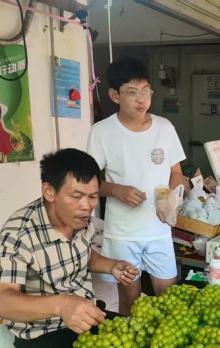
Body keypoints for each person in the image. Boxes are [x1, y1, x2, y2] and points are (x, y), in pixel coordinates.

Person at [0, 148, 140, 348]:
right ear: (49, 191)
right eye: (76, 196)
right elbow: (2, 303)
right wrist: (63, 306)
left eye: (93, 197)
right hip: (43, 333)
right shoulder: (18, 234)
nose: (86, 206)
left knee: (139, 346)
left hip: (88, 317)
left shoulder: (80, 218)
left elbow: (81, 254)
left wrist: (111, 266)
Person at [87, 56, 186, 315]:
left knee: (169, 299)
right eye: (132, 92)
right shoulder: (102, 132)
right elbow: (89, 182)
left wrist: (171, 199)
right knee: (130, 300)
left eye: (145, 91)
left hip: (159, 230)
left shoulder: (164, 128)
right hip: (123, 233)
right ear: (115, 95)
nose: (141, 99)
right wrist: (115, 190)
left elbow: (176, 173)